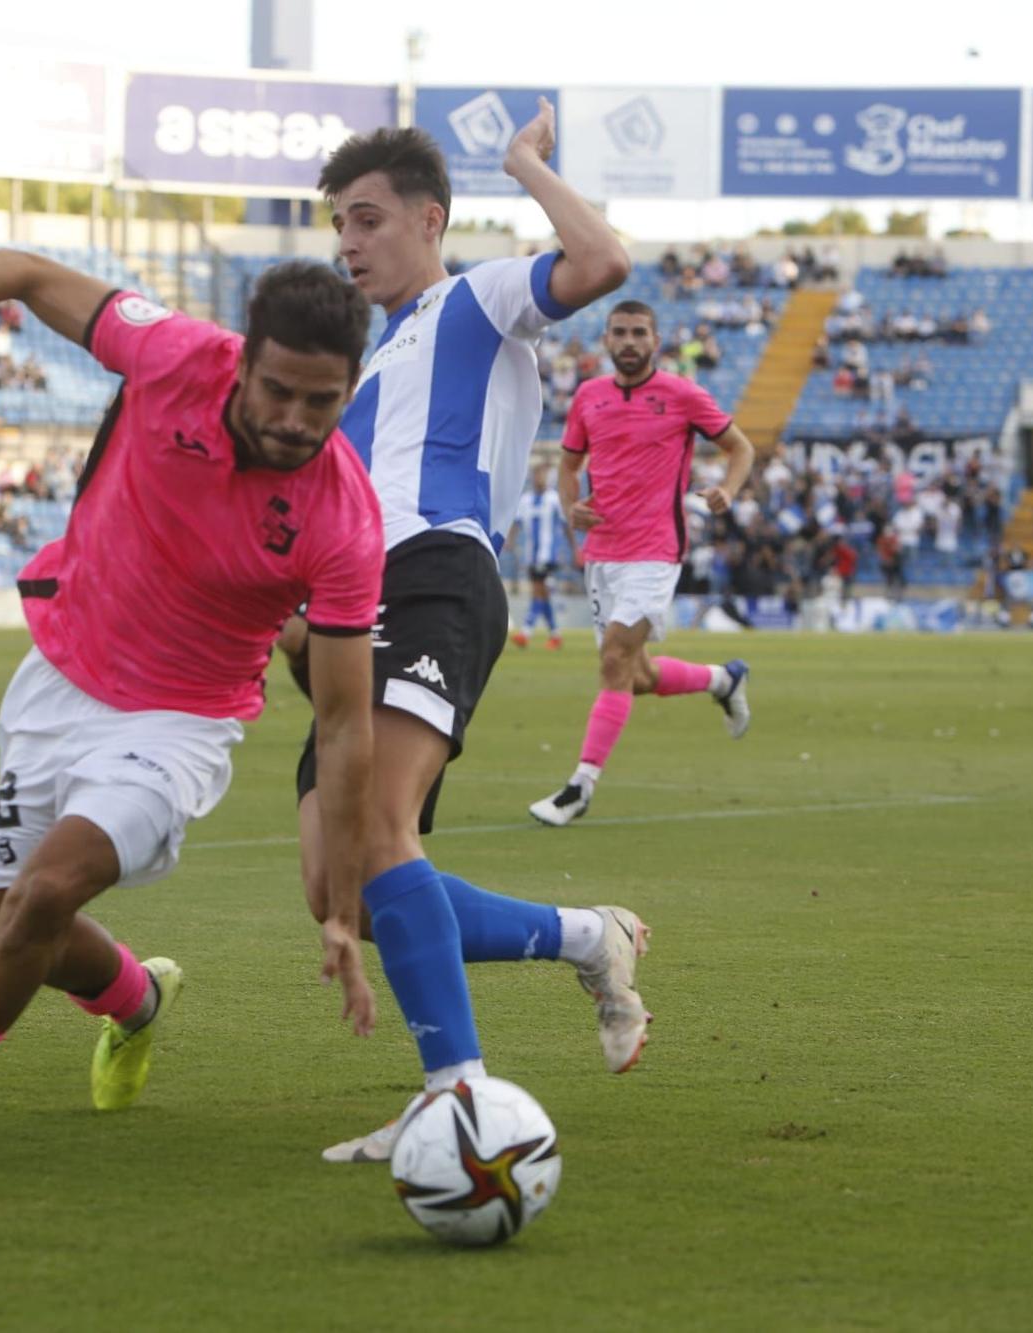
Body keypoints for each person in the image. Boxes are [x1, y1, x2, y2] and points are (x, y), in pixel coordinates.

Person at [0, 254, 389, 1169]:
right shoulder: (171, 353)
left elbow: (343, 724)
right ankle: (138, 1000)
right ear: (242, 360)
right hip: (60, 678)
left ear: (350, 391)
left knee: (45, 895)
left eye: (321, 402)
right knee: (18, 929)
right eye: (278, 391)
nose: (295, 420)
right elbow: (18, 271)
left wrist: (341, 906)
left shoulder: (345, 521)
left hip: (180, 724)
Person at [287, 108, 642, 1166]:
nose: (347, 243)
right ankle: (588, 935)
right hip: (351, 607)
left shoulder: (475, 297)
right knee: (336, 879)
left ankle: (455, 1096)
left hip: (435, 574)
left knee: (384, 829)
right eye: (336, 225)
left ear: (427, 219)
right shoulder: (363, 369)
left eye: (366, 219)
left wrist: (522, 163)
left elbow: (603, 260)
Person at [528, 300, 755, 828]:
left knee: (612, 662)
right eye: (620, 333)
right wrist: (570, 507)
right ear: (606, 340)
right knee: (635, 675)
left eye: (638, 333)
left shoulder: (681, 395)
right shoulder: (589, 397)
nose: (629, 342)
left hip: (656, 549)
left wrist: (727, 488)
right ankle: (723, 680)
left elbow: (740, 449)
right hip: (603, 553)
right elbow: (567, 465)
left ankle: (579, 787)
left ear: (656, 341)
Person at [508, 463, 571, 649]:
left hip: (548, 555)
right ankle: (555, 634)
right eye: (536, 475)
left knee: (538, 589)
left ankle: (526, 632)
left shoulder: (553, 499)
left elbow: (565, 525)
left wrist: (574, 548)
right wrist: (510, 540)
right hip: (531, 556)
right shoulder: (526, 500)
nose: (539, 478)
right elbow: (516, 523)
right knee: (542, 594)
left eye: (542, 475)